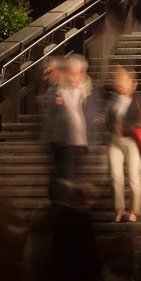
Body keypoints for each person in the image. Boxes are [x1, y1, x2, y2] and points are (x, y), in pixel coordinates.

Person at [105, 66, 141, 223]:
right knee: (116, 176)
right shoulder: (113, 99)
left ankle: (135, 210)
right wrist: (111, 125)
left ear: (132, 83)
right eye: (119, 81)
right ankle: (119, 209)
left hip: (132, 141)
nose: (121, 85)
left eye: (124, 81)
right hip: (114, 141)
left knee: (133, 176)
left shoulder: (140, 100)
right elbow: (108, 121)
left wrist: (124, 127)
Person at [43, 54, 91, 185]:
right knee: (66, 179)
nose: (72, 76)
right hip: (64, 142)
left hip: (81, 143)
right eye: (70, 72)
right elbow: (53, 116)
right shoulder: (58, 91)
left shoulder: (86, 91)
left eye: (75, 73)